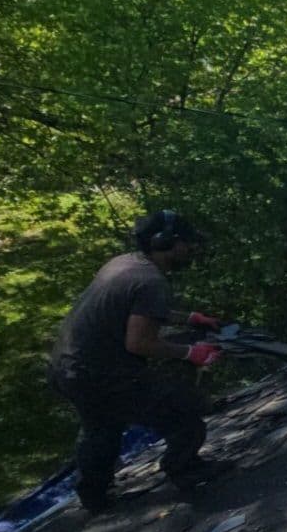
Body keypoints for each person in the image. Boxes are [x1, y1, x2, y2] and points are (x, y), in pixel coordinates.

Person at [47, 210, 228, 513]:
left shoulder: (125, 264)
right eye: (186, 243)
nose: (191, 249)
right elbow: (139, 342)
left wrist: (190, 318)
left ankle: (94, 496)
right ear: (167, 242)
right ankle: (185, 469)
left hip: (67, 367)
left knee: (101, 429)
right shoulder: (150, 281)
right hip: (101, 373)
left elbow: (135, 309)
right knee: (182, 409)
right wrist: (190, 353)